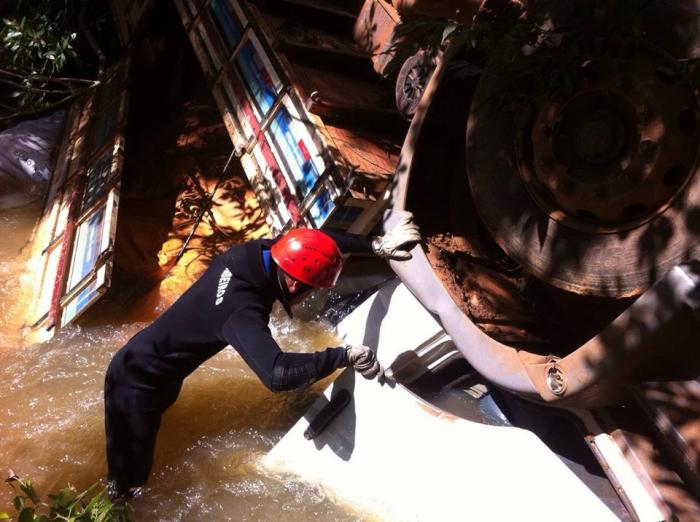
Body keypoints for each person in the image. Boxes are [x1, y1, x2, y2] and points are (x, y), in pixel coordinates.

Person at [103, 215, 421, 499]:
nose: (313, 294)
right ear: (296, 282)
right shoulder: (240, 310)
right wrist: (342, 356)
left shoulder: (258, 255)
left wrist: (376, 244)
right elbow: (277, 375)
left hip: (156, 366)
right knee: (129, 487)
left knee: (153, 437)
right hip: (136, 385)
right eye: (313, 288)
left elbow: (313, 241)